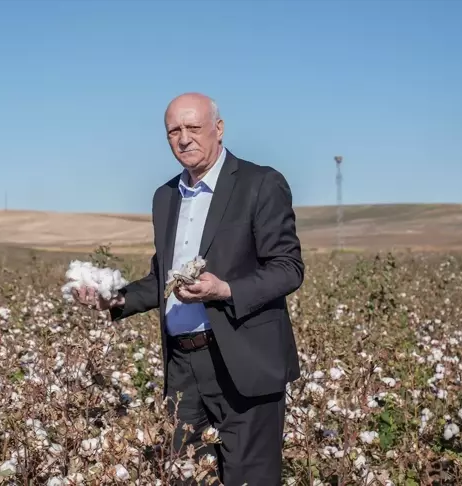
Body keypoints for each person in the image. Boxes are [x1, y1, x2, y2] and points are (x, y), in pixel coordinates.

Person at [72, 92, 305, 485]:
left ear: (218, 129)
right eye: (173, 131)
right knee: (185, 475)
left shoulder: (260, 183)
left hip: (243, 362)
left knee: (250, 479)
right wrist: (113, 299)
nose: (184, 138)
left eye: (193, 128)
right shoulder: (165, 197)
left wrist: (225, 289)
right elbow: (162, 280)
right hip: (183, 368)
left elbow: (288, 268)